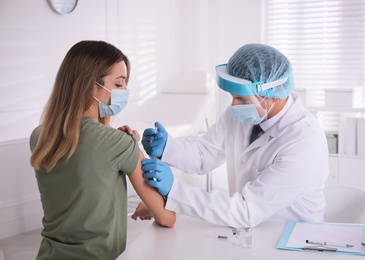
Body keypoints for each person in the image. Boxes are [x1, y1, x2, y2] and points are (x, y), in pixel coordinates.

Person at [132, 43, 329, 228]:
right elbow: (205, 153)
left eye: (241, 98)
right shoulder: (245, 112)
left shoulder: (304, 142)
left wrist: (175, 191)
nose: (234, 105)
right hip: (247, 232)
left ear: (271, 94)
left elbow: (246, 210)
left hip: (289, 239)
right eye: (232, 97)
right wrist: (168, 147)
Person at [29, 40, 175, 260]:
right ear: (91, 84)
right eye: (118, 84)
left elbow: (84, 160)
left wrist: (116, 138)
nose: (125, 91)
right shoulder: (116, 143)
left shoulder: (39, 137)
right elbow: (167, 218)